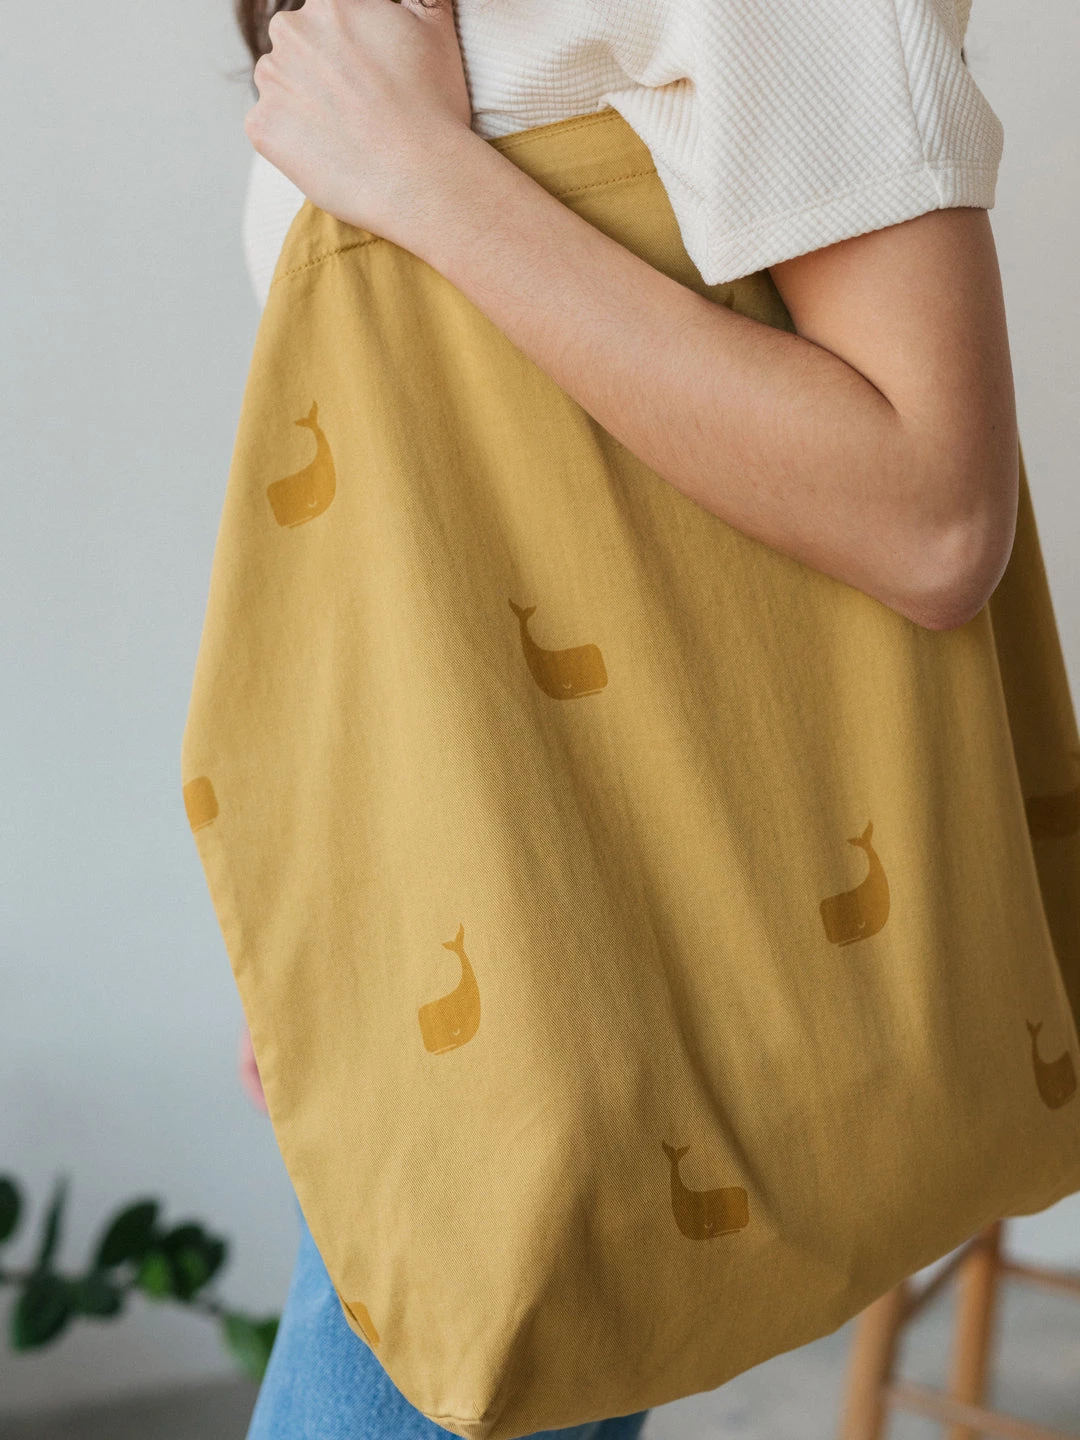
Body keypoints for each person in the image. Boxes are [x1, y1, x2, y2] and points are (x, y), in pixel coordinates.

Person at [227, 0, 1015, 1434]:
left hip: (614, 959)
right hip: (468, 915)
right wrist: (327, 913)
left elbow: (935, 516)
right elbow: (401, 508)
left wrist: (426, 177)